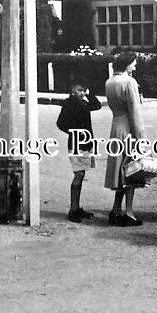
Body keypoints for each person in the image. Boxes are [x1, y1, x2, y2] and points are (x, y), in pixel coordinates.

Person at [103, 51, 146, 226]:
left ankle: (116, 209)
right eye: (133, 63)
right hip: (128, 128)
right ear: (127, 64)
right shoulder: (129, 82)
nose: (134, 67)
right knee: (131, 171)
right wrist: (141, 137)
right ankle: (128, 212)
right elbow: (135, 111)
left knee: (120, 170)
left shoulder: (109, 81)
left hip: (116, 126)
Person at [55, 78, 102, 223]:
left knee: (81, 174)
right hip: (76, 144)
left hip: (86, 143)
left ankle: (76, 207)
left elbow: (97, 105)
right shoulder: (69, 103)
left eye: (84, 90)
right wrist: (74, 132)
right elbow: (60, 123)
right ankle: (73, 209)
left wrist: (90, 93)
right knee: (79, 174)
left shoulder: (83, 102)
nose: (82, 93)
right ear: (72, 90)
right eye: (79, 90)